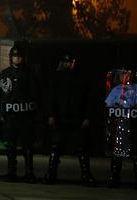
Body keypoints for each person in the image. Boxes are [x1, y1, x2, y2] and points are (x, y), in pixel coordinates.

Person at [43, 54, 96, 187]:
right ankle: (51, 174)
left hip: (77, 118)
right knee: (56, 147)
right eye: (66, 62)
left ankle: (85, 175)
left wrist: (86, 117)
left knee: (82, 148)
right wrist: (51, 115)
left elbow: (88, 100)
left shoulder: (82, 79)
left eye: (71, 62)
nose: (69, 64)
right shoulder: (56, 78)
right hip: (61, 118)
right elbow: (51, 98)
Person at [0, 45, 40, 183]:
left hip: (26, 116)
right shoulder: (5, 74)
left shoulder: (30, 74)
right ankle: (11, 172)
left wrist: (33, 113)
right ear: (11, 58)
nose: (17, 59)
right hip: (10, 117)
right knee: (11, 145)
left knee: (27, 145)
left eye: (19, 56)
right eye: (15, 56)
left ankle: (29, 172)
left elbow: (36, 95)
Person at [104, 68, 137, 189]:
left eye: (128, 74)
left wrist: (136, 108)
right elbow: (108, 106)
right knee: (116, 153)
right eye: (123, 74)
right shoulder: (115, 90)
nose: (126, 76)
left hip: (132, 125)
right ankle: (114, 180)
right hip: (119, 125)